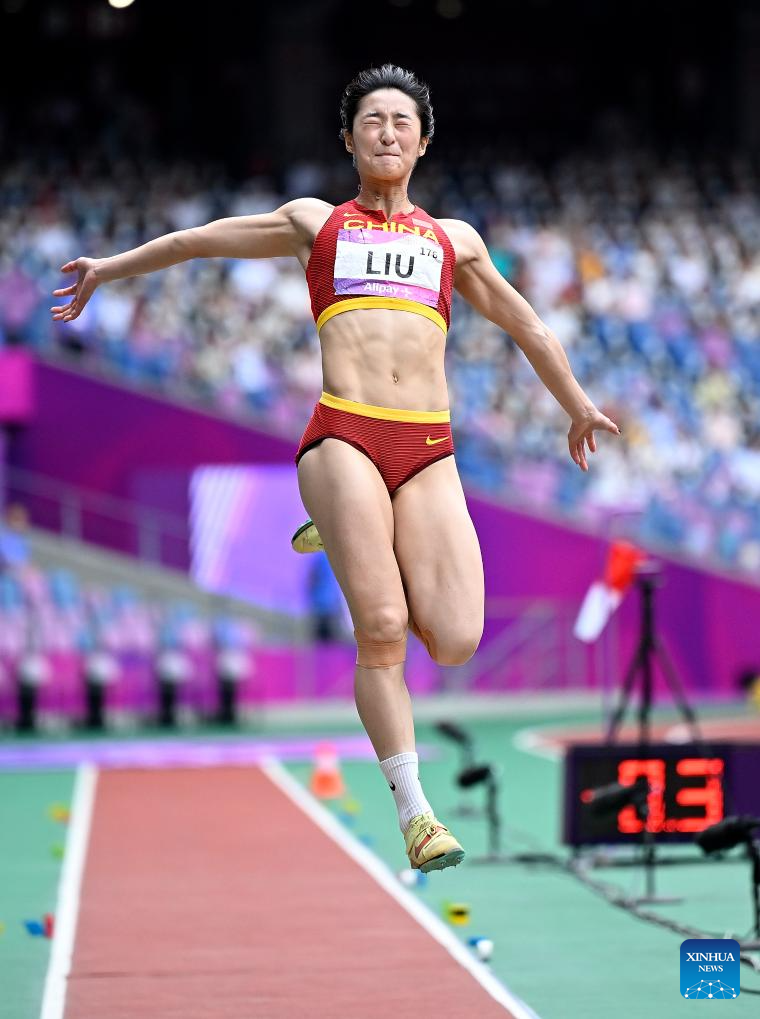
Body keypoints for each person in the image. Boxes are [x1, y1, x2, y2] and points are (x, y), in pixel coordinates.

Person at [51, 63, 622, 873]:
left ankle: (351, 525)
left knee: (457, 638)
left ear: (423, 141)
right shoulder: (315, 223)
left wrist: (576, 404)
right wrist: (110, 268)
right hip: (345, 433)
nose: (387, 132)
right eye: (372, 121)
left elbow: (528, 324)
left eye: (401, 121)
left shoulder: (453, 241)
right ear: (349, 140)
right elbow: (196, 241)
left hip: (427, 446)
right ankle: (416, 812)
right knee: (382, 626)